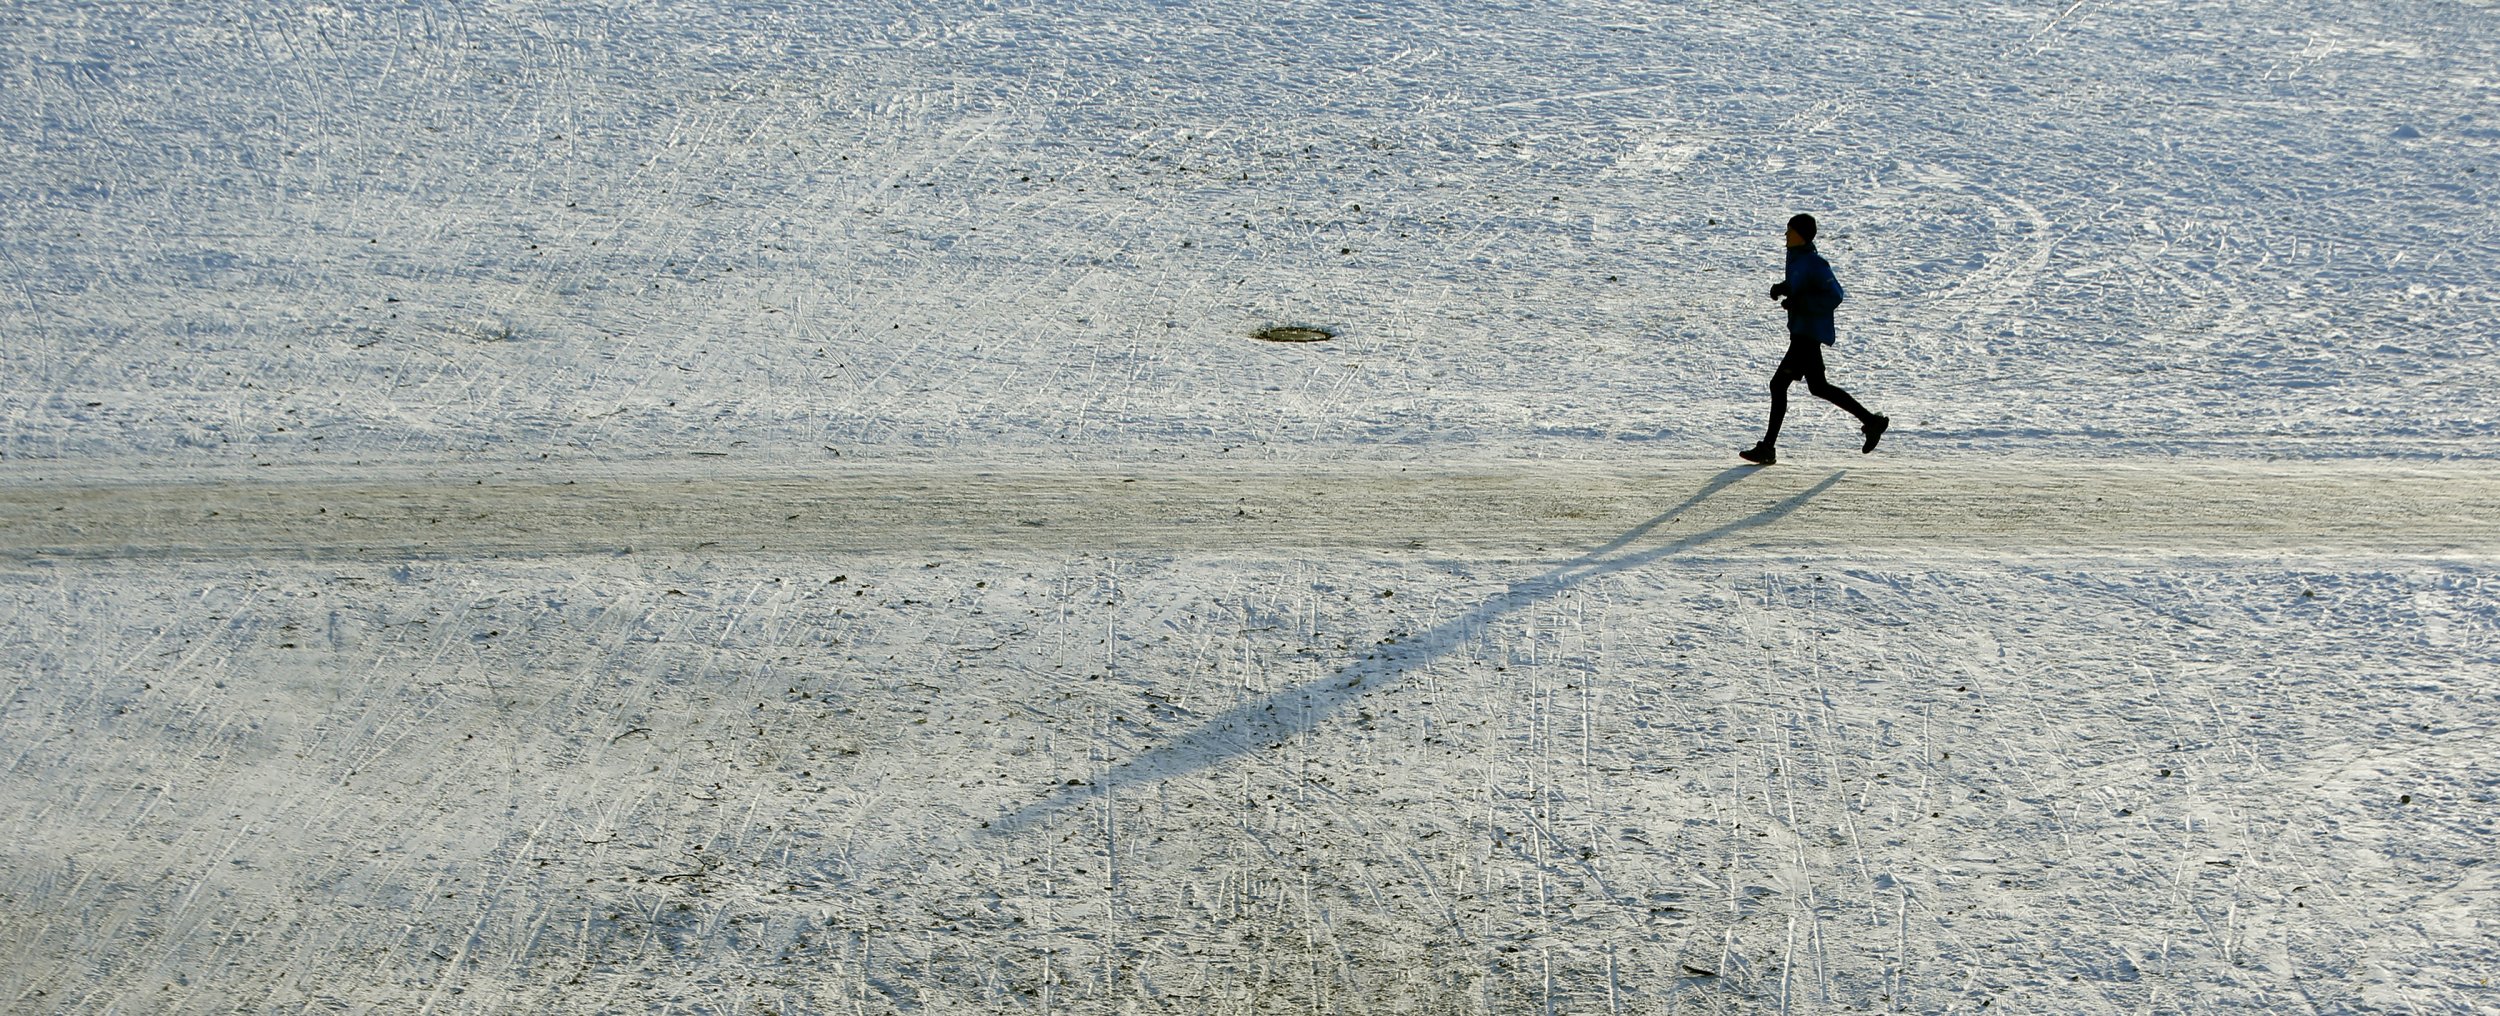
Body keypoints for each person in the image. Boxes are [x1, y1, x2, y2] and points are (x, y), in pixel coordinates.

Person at [1739, 213, 1887, 465]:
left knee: (1778, 385)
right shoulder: (1796, 259)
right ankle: (1872, 422)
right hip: (1801, 331)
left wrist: (1800, 301)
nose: (1785, 235)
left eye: (1790, 231)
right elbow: (1802, 286)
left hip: (1807, 336)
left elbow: (1835, 295)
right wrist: (1784, 288)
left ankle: (1768, 448)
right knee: (1818, 387)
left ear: (1801, 235)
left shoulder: (1815, 263)